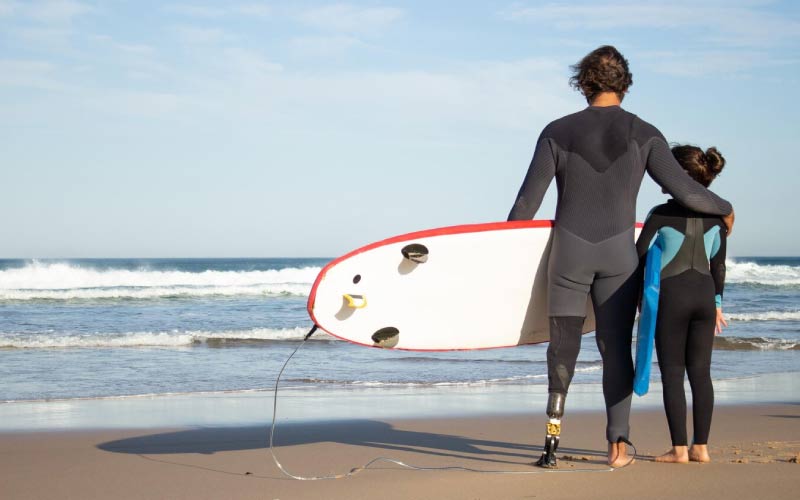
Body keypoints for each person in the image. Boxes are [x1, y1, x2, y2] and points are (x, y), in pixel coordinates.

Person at [507, 45, 734, 468]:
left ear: (584, 82)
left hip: (568, 257)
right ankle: (618, 446)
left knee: (562, 350)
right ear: (625, 85)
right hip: (618, 261)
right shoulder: (645, 132)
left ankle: (550, 445)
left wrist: (506, 261)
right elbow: (685, 191)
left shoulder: (556, 131)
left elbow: (526, 204)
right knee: (615, 350)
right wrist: (724, 206)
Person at [636, 146, 728, 464]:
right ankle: (701, 447)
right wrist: (716, 303)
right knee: (701, 374)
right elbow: (718, 267)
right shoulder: (717, 217)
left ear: (679, 176)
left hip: (672, 298)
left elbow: (638, 256)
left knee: (673, 374)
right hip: (704, 298)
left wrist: (639, 302)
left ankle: (679, 450)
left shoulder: (660, 214)